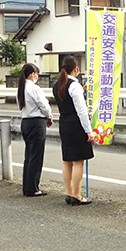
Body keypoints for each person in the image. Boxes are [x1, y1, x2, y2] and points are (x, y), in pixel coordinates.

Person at [53, 56, 95, 206]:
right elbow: (81, 111)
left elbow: (67, 100)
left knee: (67, 161)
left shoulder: (57, 84)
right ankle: (77, 195)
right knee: (78, 162)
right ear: (75, 69)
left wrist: (80, 90)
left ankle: (69, 193)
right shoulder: (74, 85)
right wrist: (89, 131)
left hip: (64, 123)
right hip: (76, 125)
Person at [17, 63, 53, 197]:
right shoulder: (34, 88)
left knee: (29, 156)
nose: (37, 76)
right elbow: (43, 105)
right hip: (36, 122)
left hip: (25, 122)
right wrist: (49, 115)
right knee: (36, 156)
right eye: (36, 73)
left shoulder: (20, 88)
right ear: (32, 74)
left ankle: (27, 186)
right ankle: (33, 188)